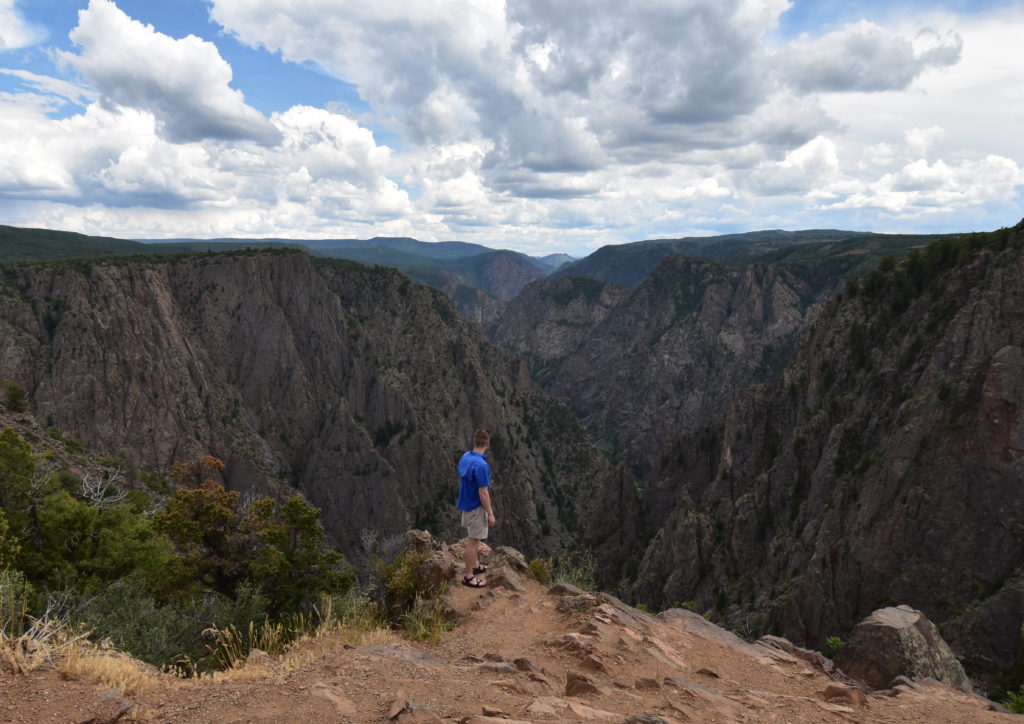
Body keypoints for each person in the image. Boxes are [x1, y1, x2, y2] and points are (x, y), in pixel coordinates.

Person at [457, 428, 495, 587]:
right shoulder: (481, 465)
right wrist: (490, 514)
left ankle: (475, 564)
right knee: (472, 542)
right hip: (476, 506)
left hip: (465, 504)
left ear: (475, 442)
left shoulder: (466, 457)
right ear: (487, 443)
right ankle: (468, 576)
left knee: (475, 538)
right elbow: (483, 493)